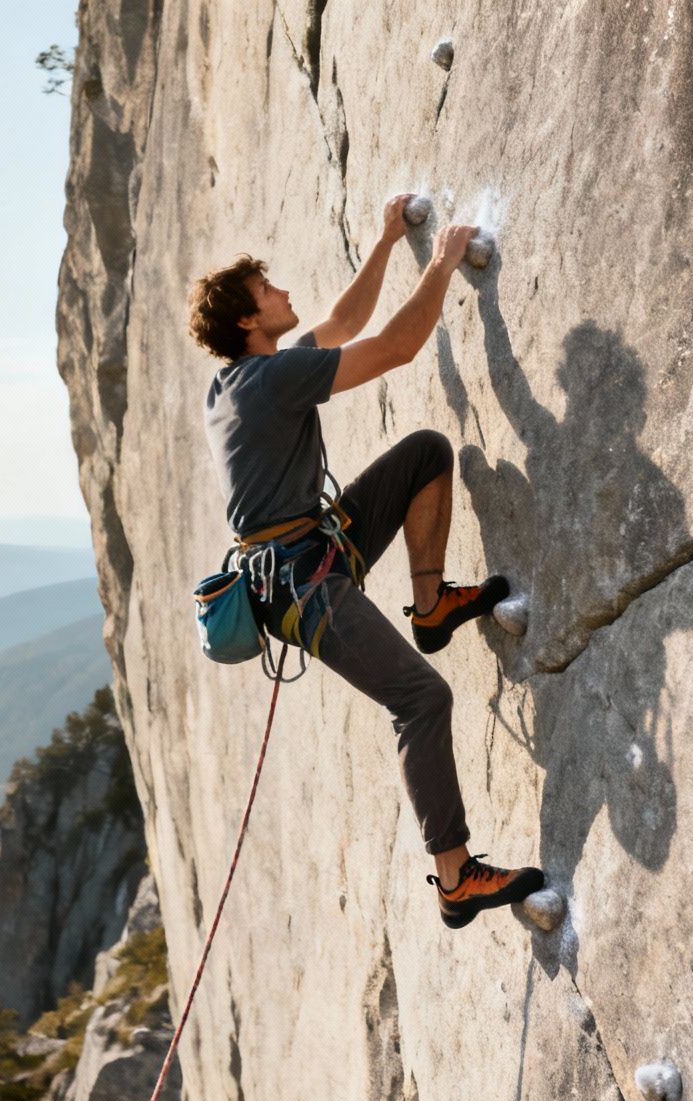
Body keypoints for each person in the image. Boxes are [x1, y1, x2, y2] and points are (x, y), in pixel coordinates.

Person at [190, 194, 544, 929]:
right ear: (248, 320)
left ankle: (432, 607)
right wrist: (441, 265)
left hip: (310, 550)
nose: (285, 292)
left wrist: (385, 241)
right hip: (302, 584)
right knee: (421, 700)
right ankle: (455, 877)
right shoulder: (267, 383)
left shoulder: (236, 383)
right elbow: (391, 348)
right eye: (269, 291)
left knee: (423, 455)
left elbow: (345, 324)